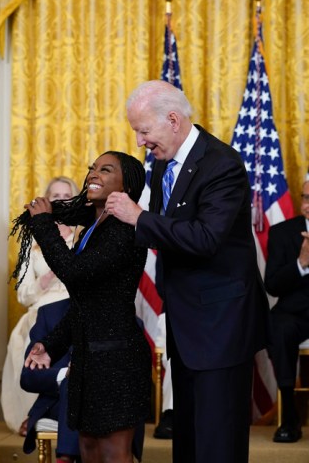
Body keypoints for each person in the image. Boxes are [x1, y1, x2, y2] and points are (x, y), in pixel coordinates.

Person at [105, 80, 270, 463]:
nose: (140, 141)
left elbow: (206, 237)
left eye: (144, 130)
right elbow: (169, 233)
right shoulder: (164, 163)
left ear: (174, 120)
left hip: (221, 327)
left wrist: (139, 217)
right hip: (187, 323)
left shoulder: (222, 163)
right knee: (190, 441)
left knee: (217, 444)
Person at [11, 151, 151, 463]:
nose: (93, 175)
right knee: (87, 450)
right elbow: (85, 304)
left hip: (116, 359)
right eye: (92, 169)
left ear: (126, 187)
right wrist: (50, 344)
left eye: (105, 169)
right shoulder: (92, 228)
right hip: (89, 358)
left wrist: (45, 225)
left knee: (114, 454)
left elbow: (74, 273)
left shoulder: (123, 230)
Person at [1, 176, 79, 435]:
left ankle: (59, 409)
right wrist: (44, 280)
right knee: (27, 341)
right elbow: (23, 295)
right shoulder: (32, 241)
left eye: (66, 195)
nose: (61, 200)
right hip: (41, 307)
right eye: (55, 196)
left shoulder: (82, 234)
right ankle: (32, 414)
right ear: (47, 201)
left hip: (75, 307)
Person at [264, 179, 309, 443]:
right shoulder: (282, 232)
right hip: (294, 313)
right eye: (305, 198)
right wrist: (301, 264)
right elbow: (272, 285)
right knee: (278, 327)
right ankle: (290, 416)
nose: (307, 205)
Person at [20, 298, 81, 462]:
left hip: (102, 400)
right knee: (73, 383)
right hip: (57, 402)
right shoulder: (49, 313)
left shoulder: (118, 313)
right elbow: (28, 377)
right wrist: (65, 374)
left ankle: (65, 457)